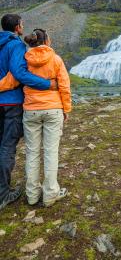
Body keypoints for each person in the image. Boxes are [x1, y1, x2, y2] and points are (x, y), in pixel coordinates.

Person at [0, 28, 71, 207]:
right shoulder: (56, 59)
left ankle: (32, 195)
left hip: (31, 110)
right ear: (46, 40)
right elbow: (64, 86)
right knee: (51, 152)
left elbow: (12, 80)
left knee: (32, 153)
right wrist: (66, 109)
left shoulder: (25, 60)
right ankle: (50, 195)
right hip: (53, 109)